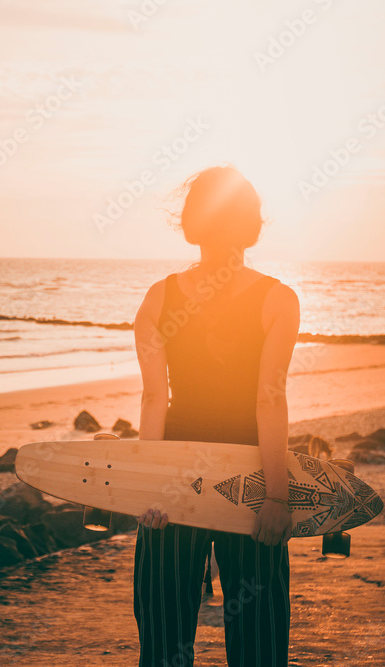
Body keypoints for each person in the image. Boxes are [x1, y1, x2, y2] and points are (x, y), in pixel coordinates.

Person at [131, 165, 300, 666]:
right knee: (259, 641)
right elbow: (268, 400)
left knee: (163, 642)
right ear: (252, 226)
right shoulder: (278, 300)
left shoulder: (159, 297)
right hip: (249, 482)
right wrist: (276, 495)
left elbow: (152, 401)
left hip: (173, 483)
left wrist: (148, 489)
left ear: (191, 225)